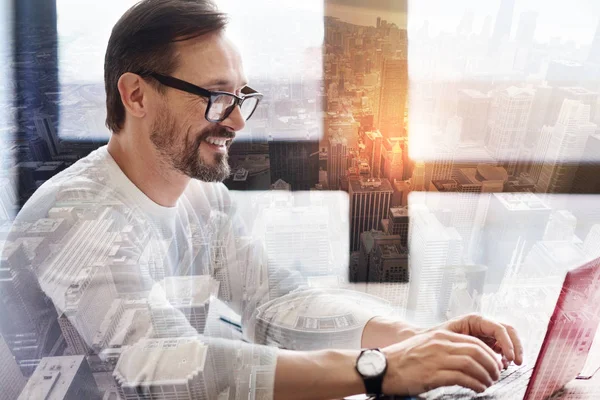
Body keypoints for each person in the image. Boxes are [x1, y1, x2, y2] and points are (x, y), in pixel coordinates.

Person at [1, 0, 523, 399]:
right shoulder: (74, 218)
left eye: (240, 95)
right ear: (136, 95)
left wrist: (419, 338)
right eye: (215, 97)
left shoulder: (202, 196)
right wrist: (382, 368)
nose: (237, 120)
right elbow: (166, 369)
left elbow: (276, 302)